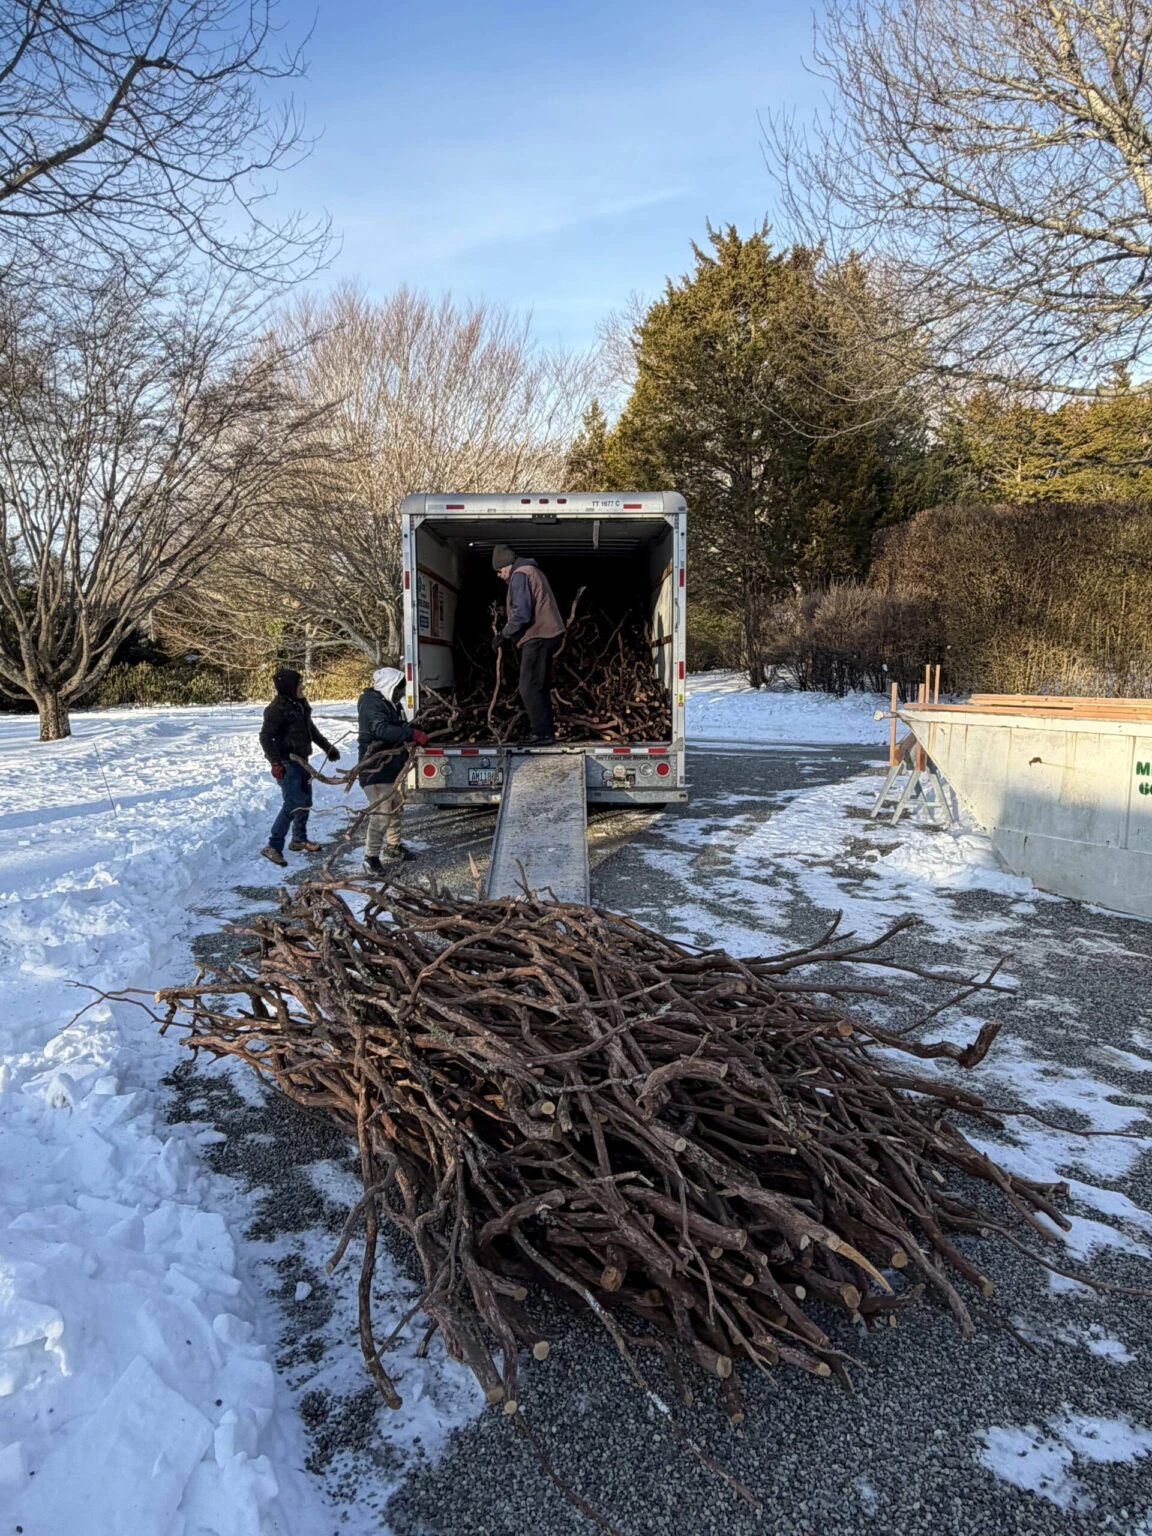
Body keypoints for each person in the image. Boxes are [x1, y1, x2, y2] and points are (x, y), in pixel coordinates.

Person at [258, 667, 340, 866]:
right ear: (289, 686)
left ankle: (299, 840)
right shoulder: (276, 709)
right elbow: (266, 737)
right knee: (294, 801)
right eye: (299, 684)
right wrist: (275, 762)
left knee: (305, 801)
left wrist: (328, 747)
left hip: (303, 760)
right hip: (288, 762)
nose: (302, 687)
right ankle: (273, 845)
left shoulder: (299, 705)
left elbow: (311, 730)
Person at [491, 543, 566, 744]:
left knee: (528, 686)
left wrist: (504, 634)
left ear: (506, 565)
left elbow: (522, 613)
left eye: (499, 571)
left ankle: (541, 733)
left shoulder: (519, 575)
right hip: (548, 634)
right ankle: (546, 731)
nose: (499, 575)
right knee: (539, 685)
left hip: (538, 635)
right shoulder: (531, 570)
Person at [357, 666, 428, 873]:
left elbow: (398, 726)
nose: (401, 693)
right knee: (382, 812)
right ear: (388, 685)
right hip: (375, 769)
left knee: (395, 806)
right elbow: (381, 729)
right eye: (399, 688)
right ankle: (370, 857)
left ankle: (393, 846)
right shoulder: (371, 704)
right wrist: (411, 734)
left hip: (390, 766)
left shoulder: (390, 703)